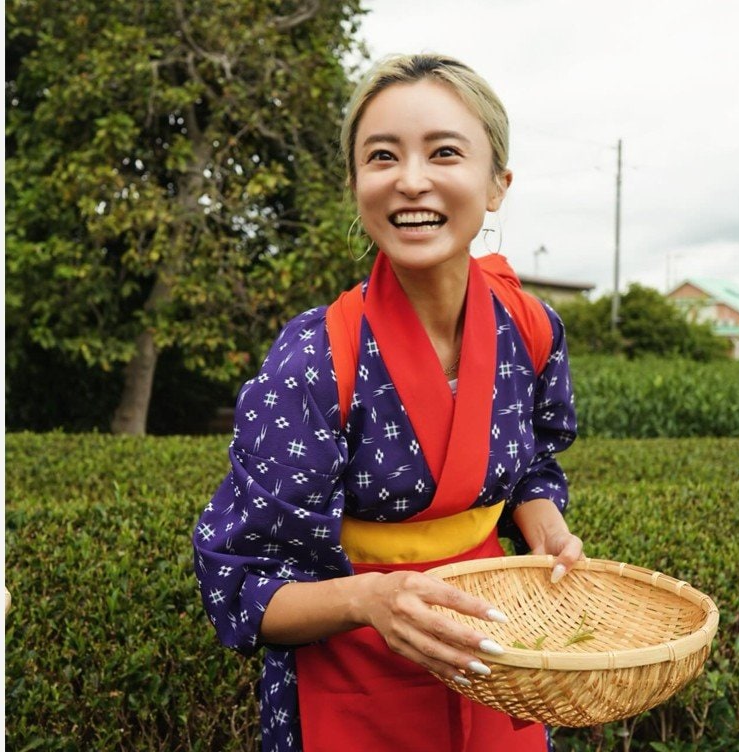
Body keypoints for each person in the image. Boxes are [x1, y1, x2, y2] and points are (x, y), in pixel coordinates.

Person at [193, 52, 582, 752]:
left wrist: (544, 523)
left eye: (444, 152)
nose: (411, 179)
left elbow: (530, 467)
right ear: (355, 185)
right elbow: (241, 583)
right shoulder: (315, 359)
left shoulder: (530, 329)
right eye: (382, 156)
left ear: (497, 185)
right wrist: (370, 600)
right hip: (349, 682)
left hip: (497, 658)